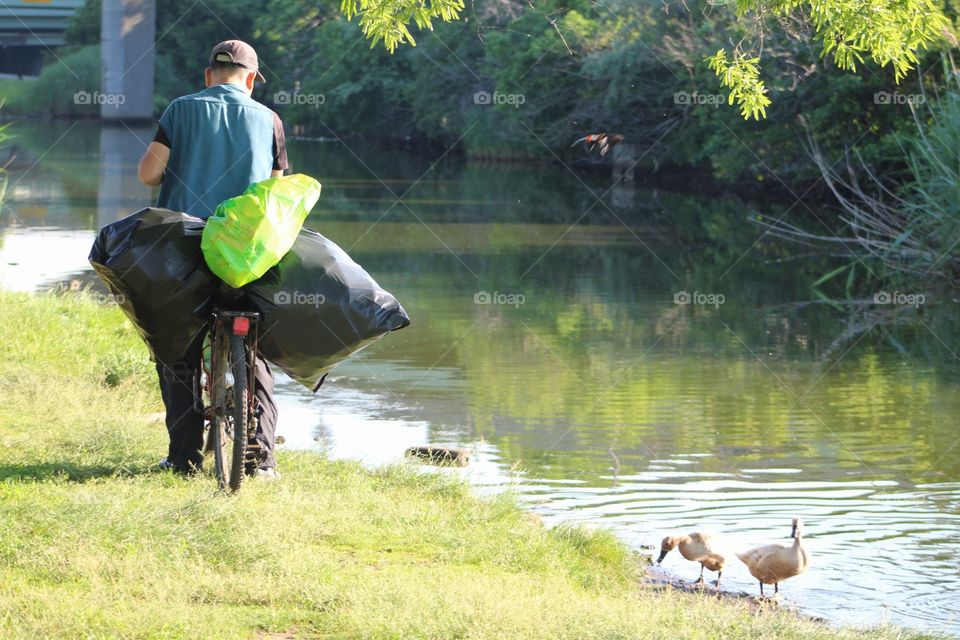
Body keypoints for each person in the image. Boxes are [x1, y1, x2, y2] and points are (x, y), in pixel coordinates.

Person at [137, 40, 287, 478]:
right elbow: (274, 196)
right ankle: (261, 459)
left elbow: (148, 174)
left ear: (208, 75)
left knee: (177, 347)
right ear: (252, 79)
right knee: (254, 349)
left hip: (183, 249)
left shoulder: (181, 110)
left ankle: (182, 457)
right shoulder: (270, 119)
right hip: (243, 252)